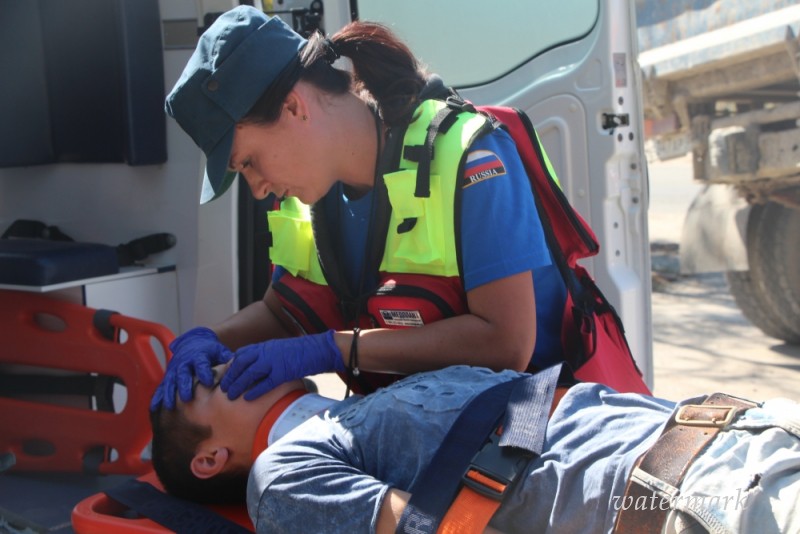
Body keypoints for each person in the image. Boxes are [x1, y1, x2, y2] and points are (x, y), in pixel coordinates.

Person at [151, 4, 571, 409]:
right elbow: (283, 312)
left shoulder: (469, 157)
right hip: (415, 422)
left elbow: (507, 344)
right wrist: (208, 338)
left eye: (248, 162)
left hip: (529, 429)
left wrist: (335, 349)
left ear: (294, 107)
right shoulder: (309, 199)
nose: (258, 189)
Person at [150, 362, 800, 534]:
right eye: (204, 384)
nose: (226, 366)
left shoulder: (360, 410)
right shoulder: (281, 473)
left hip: (746, 429)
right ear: (209, 459)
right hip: (709, 494)